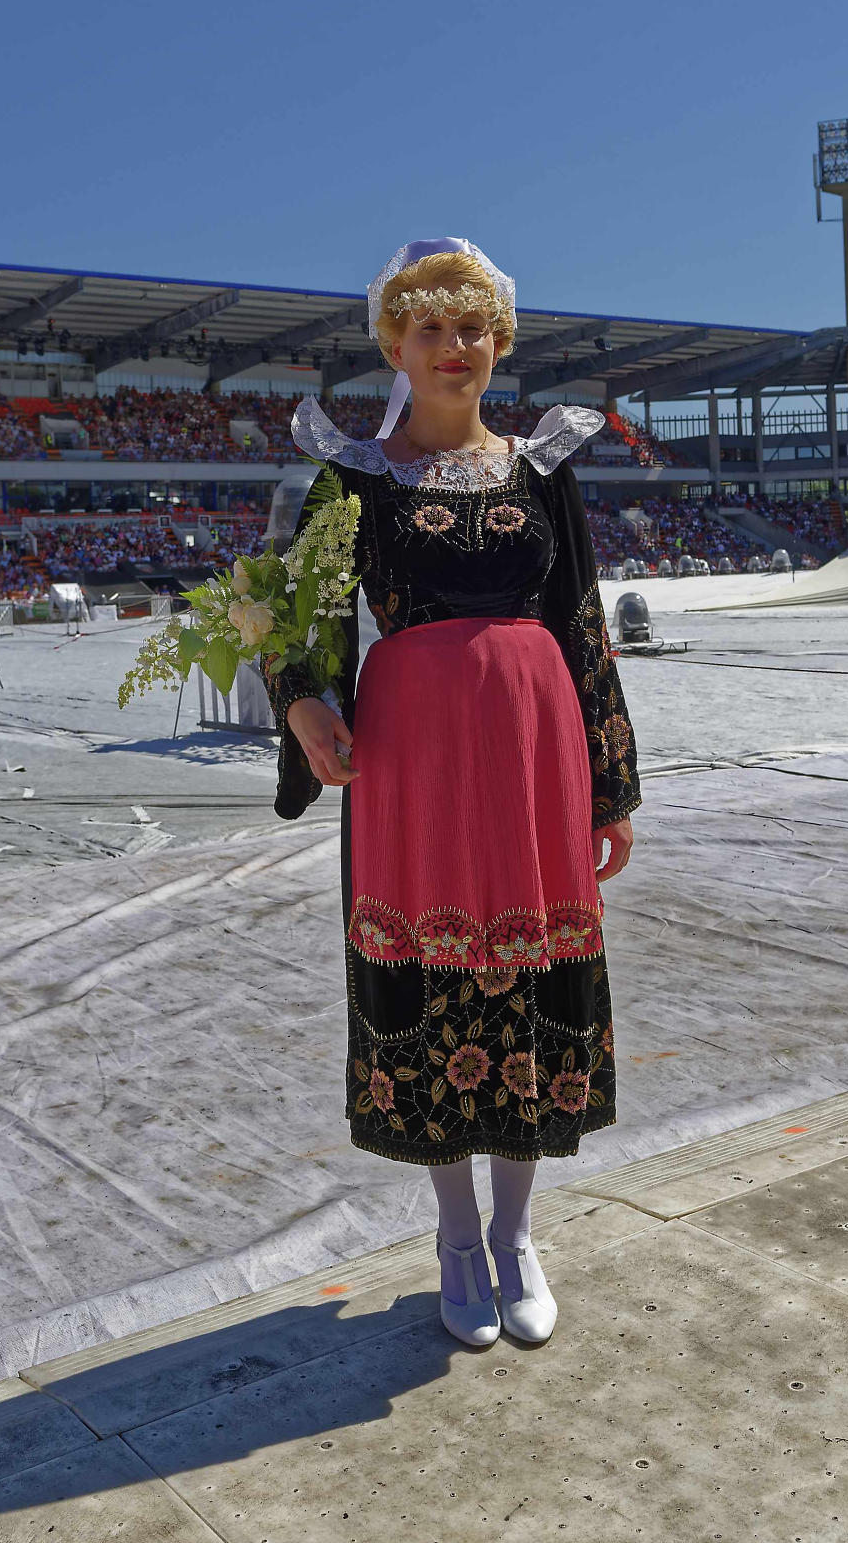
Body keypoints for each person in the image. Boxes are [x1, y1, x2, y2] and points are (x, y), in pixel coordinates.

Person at [261, 238, 642, 1350]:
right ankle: (454, 1235)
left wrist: (609, 785)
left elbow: (582, 625)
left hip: (534, 754)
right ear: (394, 345)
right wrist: (302, 708)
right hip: (413, 764)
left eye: (471, 327)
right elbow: (299, 627)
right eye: (429, 328)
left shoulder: (545, 470)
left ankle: (517, 1231)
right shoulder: (352, 477)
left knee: (527, 972)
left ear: (497, 343)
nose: (453, 347)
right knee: (428, 976)